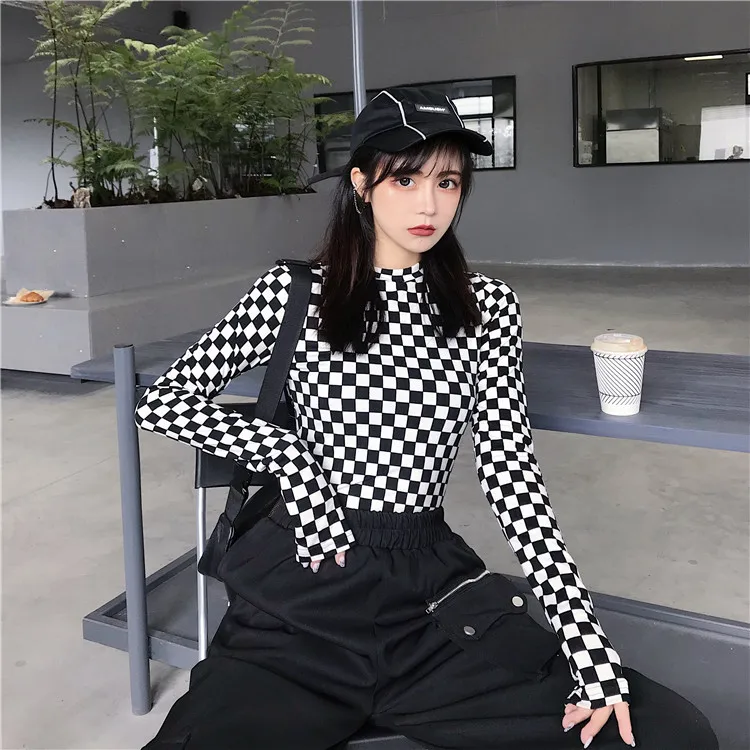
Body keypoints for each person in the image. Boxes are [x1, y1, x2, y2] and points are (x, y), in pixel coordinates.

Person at [134, 87, 719, 750]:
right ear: (361, 184)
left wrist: (587, 645)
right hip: (299, 602)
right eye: (406, 179)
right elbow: (164, 400)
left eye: (448, 182)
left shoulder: (486, 308)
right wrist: (291, 462)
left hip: (429, 608)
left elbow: (513, 481)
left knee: (669, 733)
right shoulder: (297, 293)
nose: (428, 205)